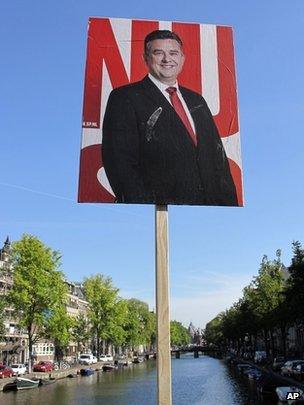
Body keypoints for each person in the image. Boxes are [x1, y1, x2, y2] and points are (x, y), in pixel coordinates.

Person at [102, 30, 237, 206]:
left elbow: (218, 158)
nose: (167, 59)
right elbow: (119, 162)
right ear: (145, 58)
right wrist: (142, 205)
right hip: (155, 207)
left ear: (182, 58)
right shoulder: (124, 97)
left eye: (173, 53)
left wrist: (229, 205)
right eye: (159, 53)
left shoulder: (197, 100)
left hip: (208, 211)